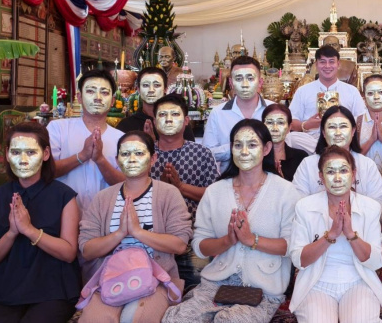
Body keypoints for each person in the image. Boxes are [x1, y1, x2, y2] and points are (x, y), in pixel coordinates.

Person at [163, 120, 301, 323]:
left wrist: (251, 239)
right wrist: (227, 241)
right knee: (176, 319)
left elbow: (290, 246)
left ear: (267, 149)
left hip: (263, 290)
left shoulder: (285, 191)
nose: (244, 151)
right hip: (215, 286)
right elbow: (200, 246)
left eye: (252, 145)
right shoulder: (215, 191)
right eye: (238, 145)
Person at [78, 131, 192, 321]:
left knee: (135, 317)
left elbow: (179, 244)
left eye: (139, 153)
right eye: (125, 154)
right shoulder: (102, 198)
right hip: (110, 279)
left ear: (153, 158)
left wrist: (138, 232)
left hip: (156, 281)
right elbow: (87, 250)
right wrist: (120, 233)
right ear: (117, 159)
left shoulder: (168, 193)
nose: (131, 159)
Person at [0, 122, 81, 323]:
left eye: (31, 152)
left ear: (46, 154)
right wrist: (11, 233)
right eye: (16, 152)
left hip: (52, 287)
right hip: (5, 287)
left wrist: (30, 230)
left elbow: (69, 253)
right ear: (7, 154)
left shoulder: (64, 196)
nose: (23, 160)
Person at [288, 146, 382, 322]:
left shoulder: (370, 208)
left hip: (359, 281)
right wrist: (331, 236)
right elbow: (299, 260)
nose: (337, 178)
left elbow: (375, 262)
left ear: (354, 173)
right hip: (316, 283)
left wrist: (351, 235)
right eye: (330, 172)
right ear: (320, 176)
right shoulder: (304, 207)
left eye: (343, 170)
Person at [150, 94, 218, 290]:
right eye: (162, 114)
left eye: (175, 114)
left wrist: (180, 188)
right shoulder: (145, 154)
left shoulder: (202, 153)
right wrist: (161, 189)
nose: (169, 119)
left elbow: (214, 195)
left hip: (194, 238)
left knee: (198, 292)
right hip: (154, 238)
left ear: (186, 120)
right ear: (154, 121)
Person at [47, 69, 124, 210]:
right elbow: (45, 171)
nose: (98, 97)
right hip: (63, 212)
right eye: (90, 91)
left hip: (106, 215)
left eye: (105, 93)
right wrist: (82, 155)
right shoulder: (58, 129)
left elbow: (126, 183)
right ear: (79, 97)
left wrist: (100, 160)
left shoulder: (121, 138)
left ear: (112, 101)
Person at [293, 106, 382, 216]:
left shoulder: (367, 165)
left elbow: (381, 207)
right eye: (332, 127)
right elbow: (298, 205)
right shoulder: (308, 164)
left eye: (343, 127)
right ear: (323, 132)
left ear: (353, 131)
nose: (338, 133)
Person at [203, 56, 273, 172]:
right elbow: (207, 154)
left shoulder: (273, 111)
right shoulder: (218, 113)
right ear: (231, 82)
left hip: (268, 177)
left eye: (250, 78)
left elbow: (284, 148)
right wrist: (234, 148)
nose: (245, 84)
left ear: (260, 82)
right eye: (239, 78)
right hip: (228, 180)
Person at [291, 46, 366, 139]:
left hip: (342, 140)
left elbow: (361, 121)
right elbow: (291, 121)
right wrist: (306, 125)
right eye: (322, 62)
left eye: (331, 61)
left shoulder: (352, 91)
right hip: (311, 141)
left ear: (338, 64)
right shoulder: (303, 91)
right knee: (291, 138)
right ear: (316, 65)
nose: (327, 66)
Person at [117, 67, 197, 141]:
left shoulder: (178, 122)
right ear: (138, 89)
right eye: (145, 85)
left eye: (156, 85)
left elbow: (189, 152)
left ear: (165, 89)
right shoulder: (126, 125)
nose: (151, 90)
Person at [262, 103, 309, 181]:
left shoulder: (300, 157)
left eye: (280, 123)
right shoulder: (256, 158)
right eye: (270, 123)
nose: (275, 128)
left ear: (289, 127)